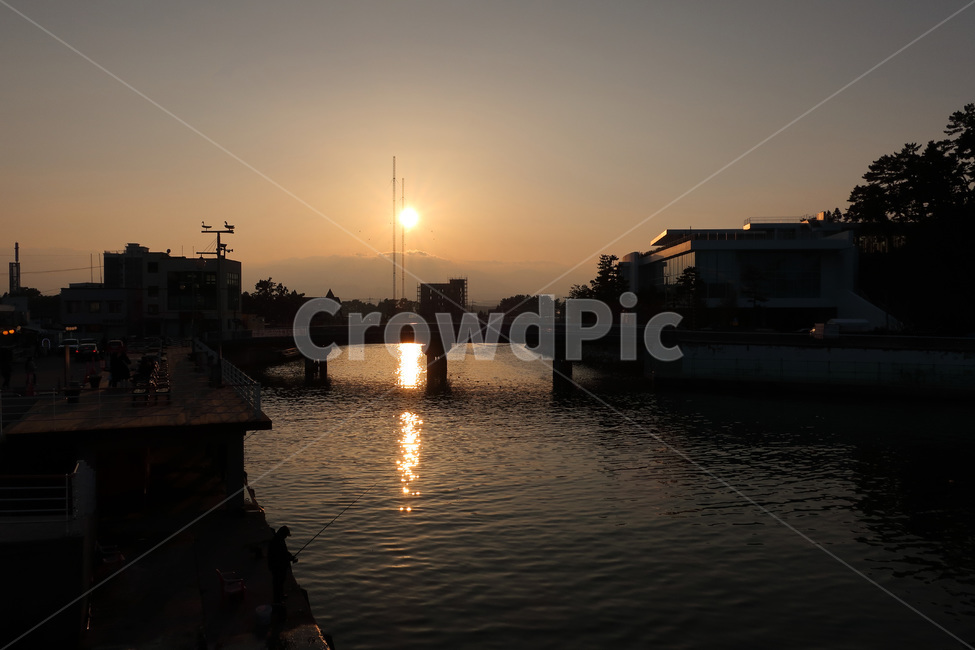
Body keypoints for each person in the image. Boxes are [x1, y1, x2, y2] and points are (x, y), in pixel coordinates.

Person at [267, 525, 298, 603]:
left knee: (280, 582)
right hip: (277, 566)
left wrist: (290, 556)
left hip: (277, 565)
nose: (286, 537)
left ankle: (280, 596)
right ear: (283, 534)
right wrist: (290, 558)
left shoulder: (279, 539)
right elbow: (280, 556)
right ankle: (277, 601)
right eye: (286, 535)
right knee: (278, 583)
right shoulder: (278, 542)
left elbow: (284, 552)